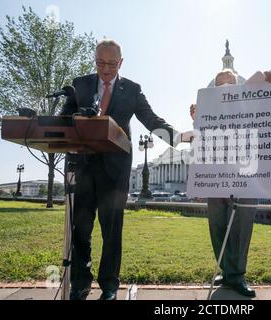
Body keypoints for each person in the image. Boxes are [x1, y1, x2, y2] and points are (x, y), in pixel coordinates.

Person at [61, 39, 180, 300]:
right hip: (83, 166)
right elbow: (64, 118)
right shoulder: (79, 84)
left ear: (121, 63)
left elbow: (151, 120)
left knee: (111, 229)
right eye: (100, 63)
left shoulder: (132, 90)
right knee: (80, 228)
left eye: (111, 64)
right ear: (95, 60)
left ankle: (110, 286)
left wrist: (179, 138)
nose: (105, 69)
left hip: (115, 169)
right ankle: (80, 283)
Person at [190, 68, 271, 297]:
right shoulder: (210, 107)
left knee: (241, 224)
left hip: (246, 172)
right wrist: (197, 117)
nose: (225, 88)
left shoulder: (250, 103)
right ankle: (227, 271)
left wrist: (270, 80)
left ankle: (237, 275)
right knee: (217, 223)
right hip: (215, 172)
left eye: (230, 83)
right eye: (220, 85)